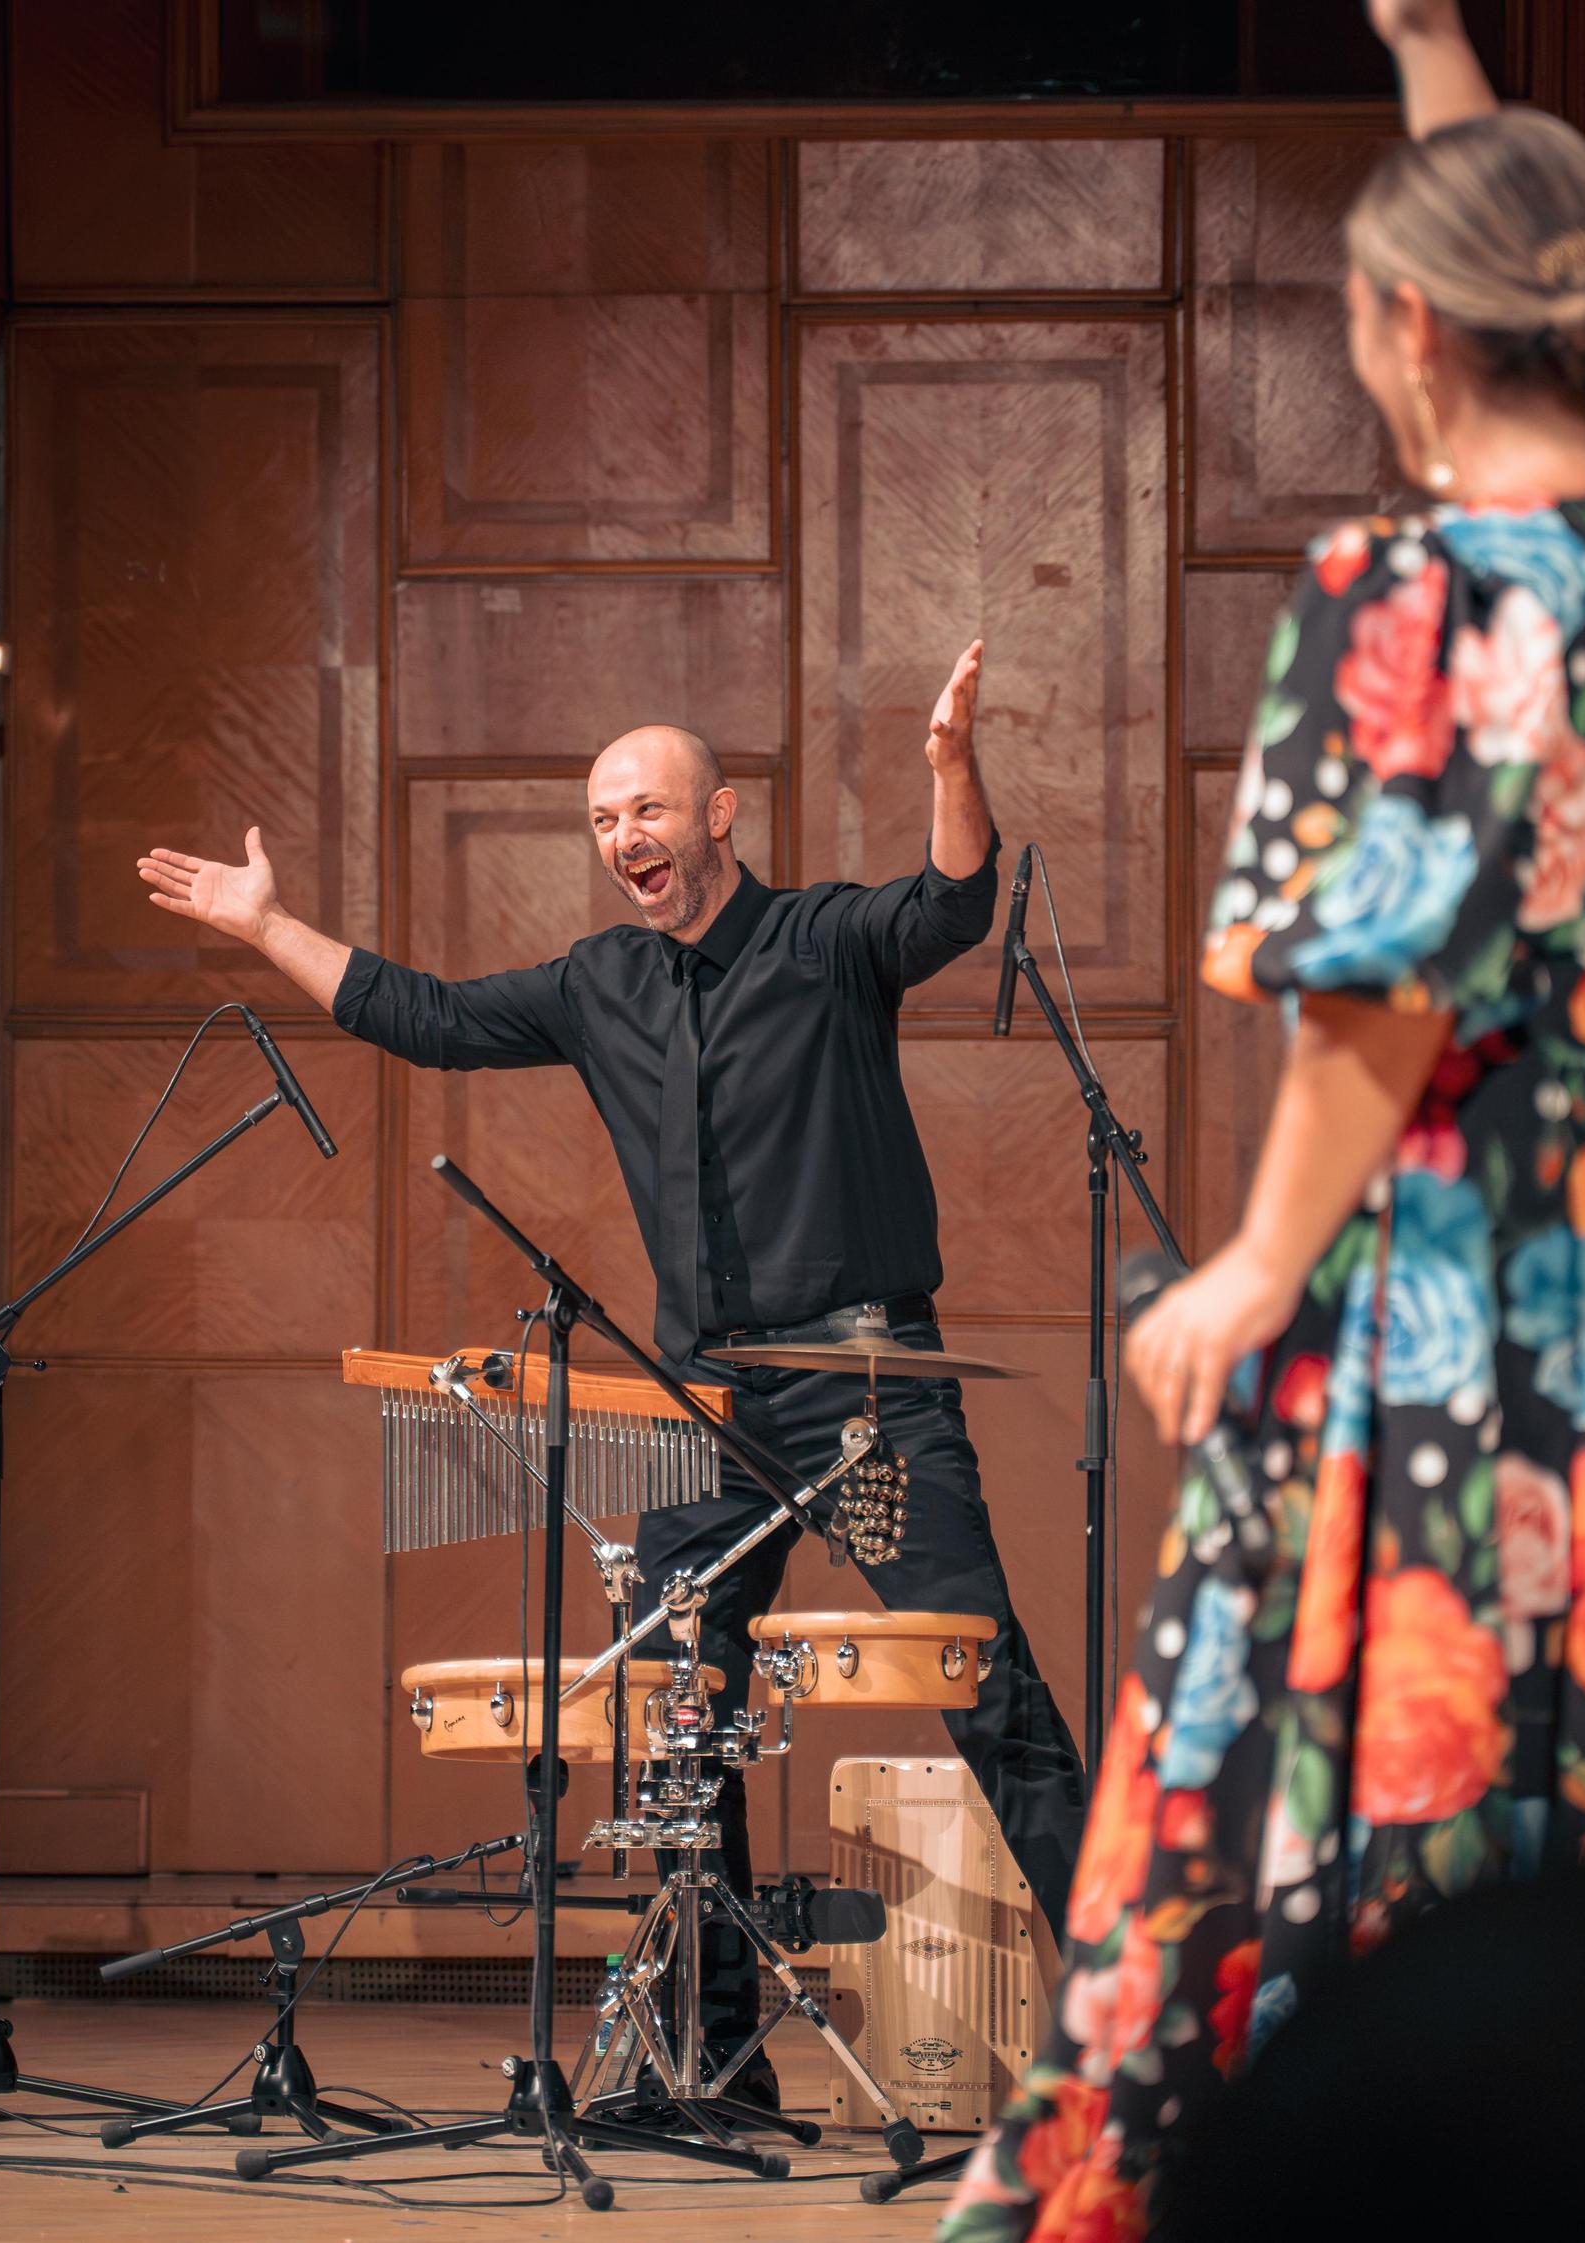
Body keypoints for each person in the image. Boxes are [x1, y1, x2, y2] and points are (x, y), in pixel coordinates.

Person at [940, 4, 1585, 2236]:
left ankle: (1319, 2155)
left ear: (1410, 328)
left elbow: (1388, 982)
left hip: (1466, 1220)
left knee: (1336, 1690)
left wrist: (1258, 1261)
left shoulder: (1414, 592)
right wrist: (1444, 69)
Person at [137, 641, 1086, 2107]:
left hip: (867, 1387)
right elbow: (432, 1021)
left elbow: (953, 901)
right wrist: (271, 928)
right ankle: (716, 2053)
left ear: (719, 819)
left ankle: (1142, 2009)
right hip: (704, 1403)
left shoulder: (824, 944)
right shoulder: (601, 987)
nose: (624, 839)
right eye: (602, 821)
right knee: (673, 1707)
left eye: (647, 811)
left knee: (986, 1687)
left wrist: (952, 770)